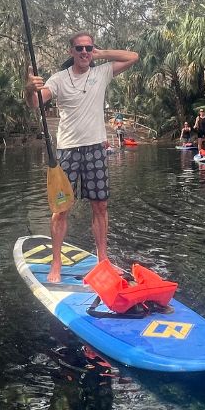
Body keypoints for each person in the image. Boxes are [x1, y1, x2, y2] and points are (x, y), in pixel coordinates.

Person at [25, 32, 139, 283]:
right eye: (80, 48)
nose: (85, 52)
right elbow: (35, 103)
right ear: (71, 51)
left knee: (100, 206)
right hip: (67, 151)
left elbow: (133, 56)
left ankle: (103, 260)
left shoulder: (101, 73)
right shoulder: (58, 79)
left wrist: (102, 53)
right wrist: (28, 88)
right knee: (61, 209)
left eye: (89, 48)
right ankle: (56, 263)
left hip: (96, 150)